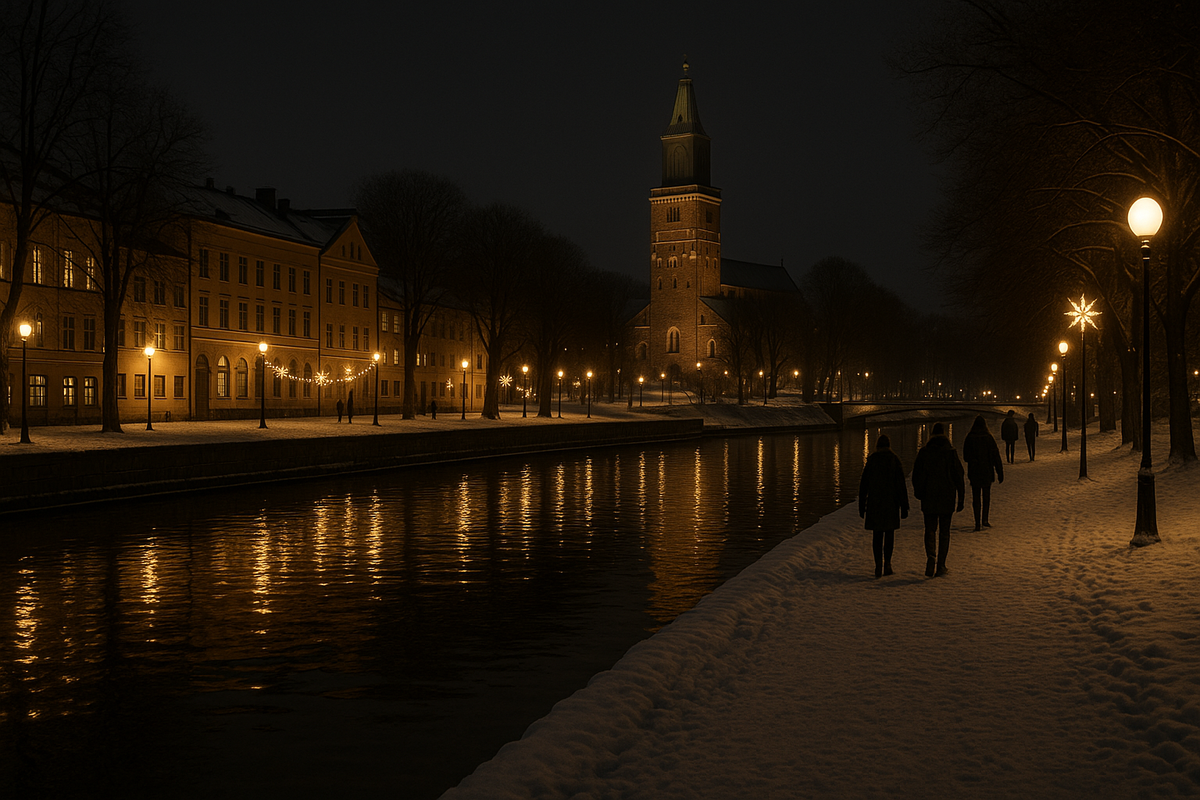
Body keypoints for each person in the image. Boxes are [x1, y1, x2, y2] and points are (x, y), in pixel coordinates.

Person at [911, 422, 965, 578]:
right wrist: (961, 497)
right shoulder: (951, 453)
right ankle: (941, 565)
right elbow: (959, 476)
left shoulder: (924, 453)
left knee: (930, 529)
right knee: (945, 532)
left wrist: (919, 492)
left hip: (929, 496)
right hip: (947, 496)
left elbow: (917, 475)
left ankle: (931, 556)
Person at [858, 434, 909, 578]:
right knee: (889, 534)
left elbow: (864, 486)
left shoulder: (871, 461)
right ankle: (888, 563)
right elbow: (901, 485)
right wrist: (904, 506)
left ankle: (878, 565)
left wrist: (862, 506)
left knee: (877, 535)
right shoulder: (894, 460)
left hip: (875, 503)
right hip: (891, 503)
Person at [962, 415, 1004, 531]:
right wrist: (999, 472)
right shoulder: (988, 438)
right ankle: (985, 519)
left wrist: (974, 460)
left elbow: (965, 457)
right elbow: (996, 455)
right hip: (987, 471)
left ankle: (977, 522)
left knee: (976, 497)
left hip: (975, 471)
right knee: (986, 496)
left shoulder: (970, 437)